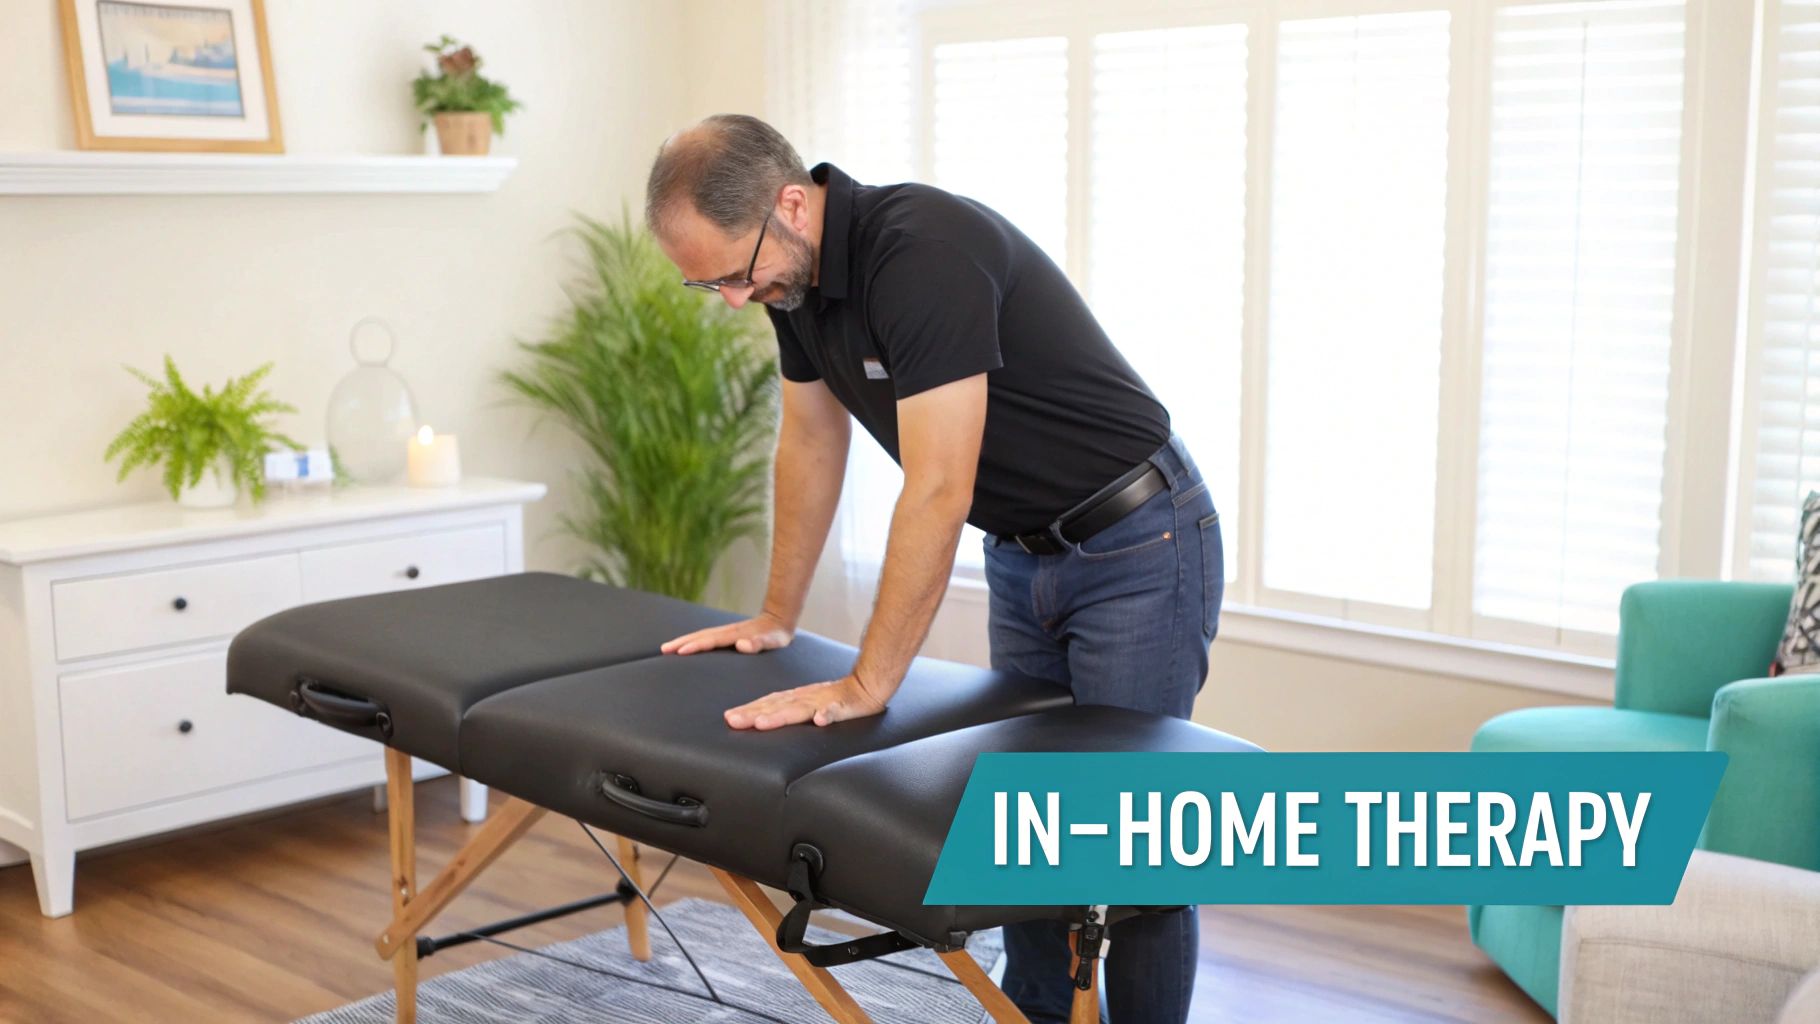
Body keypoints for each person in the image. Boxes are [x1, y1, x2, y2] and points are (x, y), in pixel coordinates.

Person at [643, 113, 1223, 1024]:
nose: (730, 298)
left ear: (791, 204)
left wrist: (873, 680)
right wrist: (776, 614)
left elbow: (938, 487)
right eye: (708, 282)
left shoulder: (921, 254)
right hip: (1025, 556)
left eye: (734, 271)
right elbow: (809, 439)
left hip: (1138, 543)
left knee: (1133, 846)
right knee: (1030, 828)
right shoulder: (794, 286)